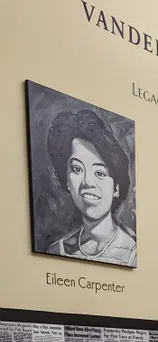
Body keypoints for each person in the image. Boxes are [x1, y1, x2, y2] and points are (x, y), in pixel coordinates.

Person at [46, 108, 136, 266]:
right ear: (66, 180)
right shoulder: (56, 251)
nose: (88, 182)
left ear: (117, 188)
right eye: (77, 169)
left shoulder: (133, 253)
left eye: (100, 173)